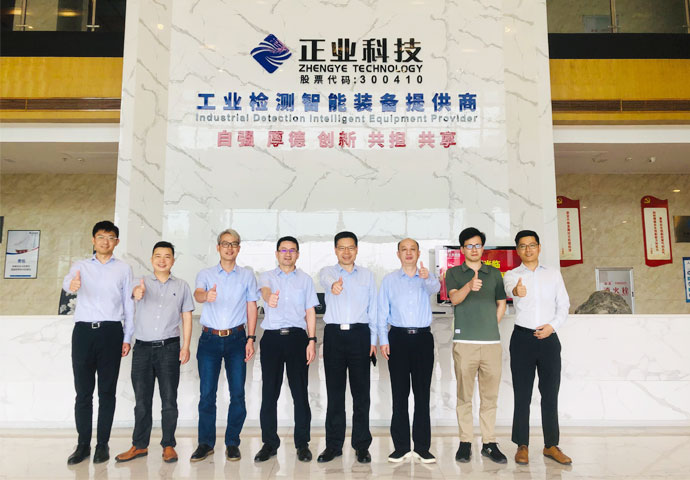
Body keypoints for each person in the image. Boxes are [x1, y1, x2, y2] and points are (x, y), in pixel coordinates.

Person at [114, 241, 194, 464]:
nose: (162, 260)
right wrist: (137, 292)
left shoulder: (182, 286)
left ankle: (168, 445)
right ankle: (139, 445)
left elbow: (187, 317)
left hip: (169, 348)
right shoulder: (139, 283)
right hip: (142, 349)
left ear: (173, 260)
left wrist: (186, 346)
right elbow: (131, 299)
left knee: (169, 400)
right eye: (158, 256)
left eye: (167, 256)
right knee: (142, 401)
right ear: (151, 259)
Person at [62, 220, 134, 465]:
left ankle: (102, 444)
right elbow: (68, 282)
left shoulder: (123, 269)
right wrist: (71, 285)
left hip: (111, 332)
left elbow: (129, 304)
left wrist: (127, 336)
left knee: (107, 392)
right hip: (83, 333)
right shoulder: (80, 266)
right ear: (93, 240)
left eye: (110, 237)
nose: (105, 241)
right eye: (101, 237)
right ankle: (83, 445)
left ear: (117, 242)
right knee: (83, 393)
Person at [503, 230, 572, 466]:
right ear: (517, 250)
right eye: (523, 246)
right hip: (522, 340)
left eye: (532, 245)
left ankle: (551, 445)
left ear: (539, 248)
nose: (528, 249)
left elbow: (564, 305)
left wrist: (552, 326)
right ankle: (521, 445)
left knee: (550, 393)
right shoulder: (512, 275)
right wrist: (516, 291)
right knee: (522, 394)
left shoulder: (553, 274)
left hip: (549, 339)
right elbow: (510, 290)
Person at [190, 229, 259, 462]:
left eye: (234, 244)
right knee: (207, 394)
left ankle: (232, 442)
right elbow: (198, 293)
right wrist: (206, 296)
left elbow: (251, 306)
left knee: (237, 393)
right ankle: (205, 443)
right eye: (225, 244)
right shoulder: (206, 274)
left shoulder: (247, 275)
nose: (229, 248)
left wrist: (251, 338)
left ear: (239, 248)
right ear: (218, 247)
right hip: (209, 340)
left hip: (237, 340)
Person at [445, 227, 507, 464]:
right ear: (462, 249)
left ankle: (489, 443)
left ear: (483, 248)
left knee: (489, 397)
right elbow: (454, 299)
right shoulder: (453, 273)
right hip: (465, 344)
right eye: (469, 245)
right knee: (464, 397)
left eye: (478, 245)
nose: (474, 249)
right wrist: (469, 285)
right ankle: (465, 443)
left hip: (491, 344)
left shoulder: (495, 273)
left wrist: (491, 324)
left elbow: (501, 303)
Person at [254, 236, 319, 463]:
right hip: (272, 339)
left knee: (300, 393)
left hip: (297, 339)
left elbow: (310, 311)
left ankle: (302, 444)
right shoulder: (267, 276)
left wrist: (312, 340)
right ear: (277, 253)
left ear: (298, 254)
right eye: (283, 250)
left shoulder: (305, 280)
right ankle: (269, 444)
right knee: (269, 393)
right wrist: (269, 298)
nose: (288, 254)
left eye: (292, 250)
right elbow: (264, 290)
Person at [378, 238, 440, 464]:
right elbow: (382, 312)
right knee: (399, 394)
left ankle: (422, 447)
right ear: (398, 254)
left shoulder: (426, 277)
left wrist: (427, 277)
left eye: (412, 249)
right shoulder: (389, 280)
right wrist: (383, 339)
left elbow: (435, 289)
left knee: (422, 395)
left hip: (423, 338)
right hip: (398, 339)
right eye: (404, 249)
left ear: (418, 253)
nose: (408, 253)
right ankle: (401, 447)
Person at [317, 231, 377, 464]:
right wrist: (334, 285)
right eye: (341, 248)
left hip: (360, 335)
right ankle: (333, 445)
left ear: (357, 249)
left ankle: (362, 446)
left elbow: (374, 309)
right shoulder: (328, 272)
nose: (346, 252)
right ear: (335, 250)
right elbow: (326, 280)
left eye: (350, 247)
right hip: (334, 335)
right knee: (335, 394)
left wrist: (373, 340)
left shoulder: (367, 276)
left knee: (361, 394)